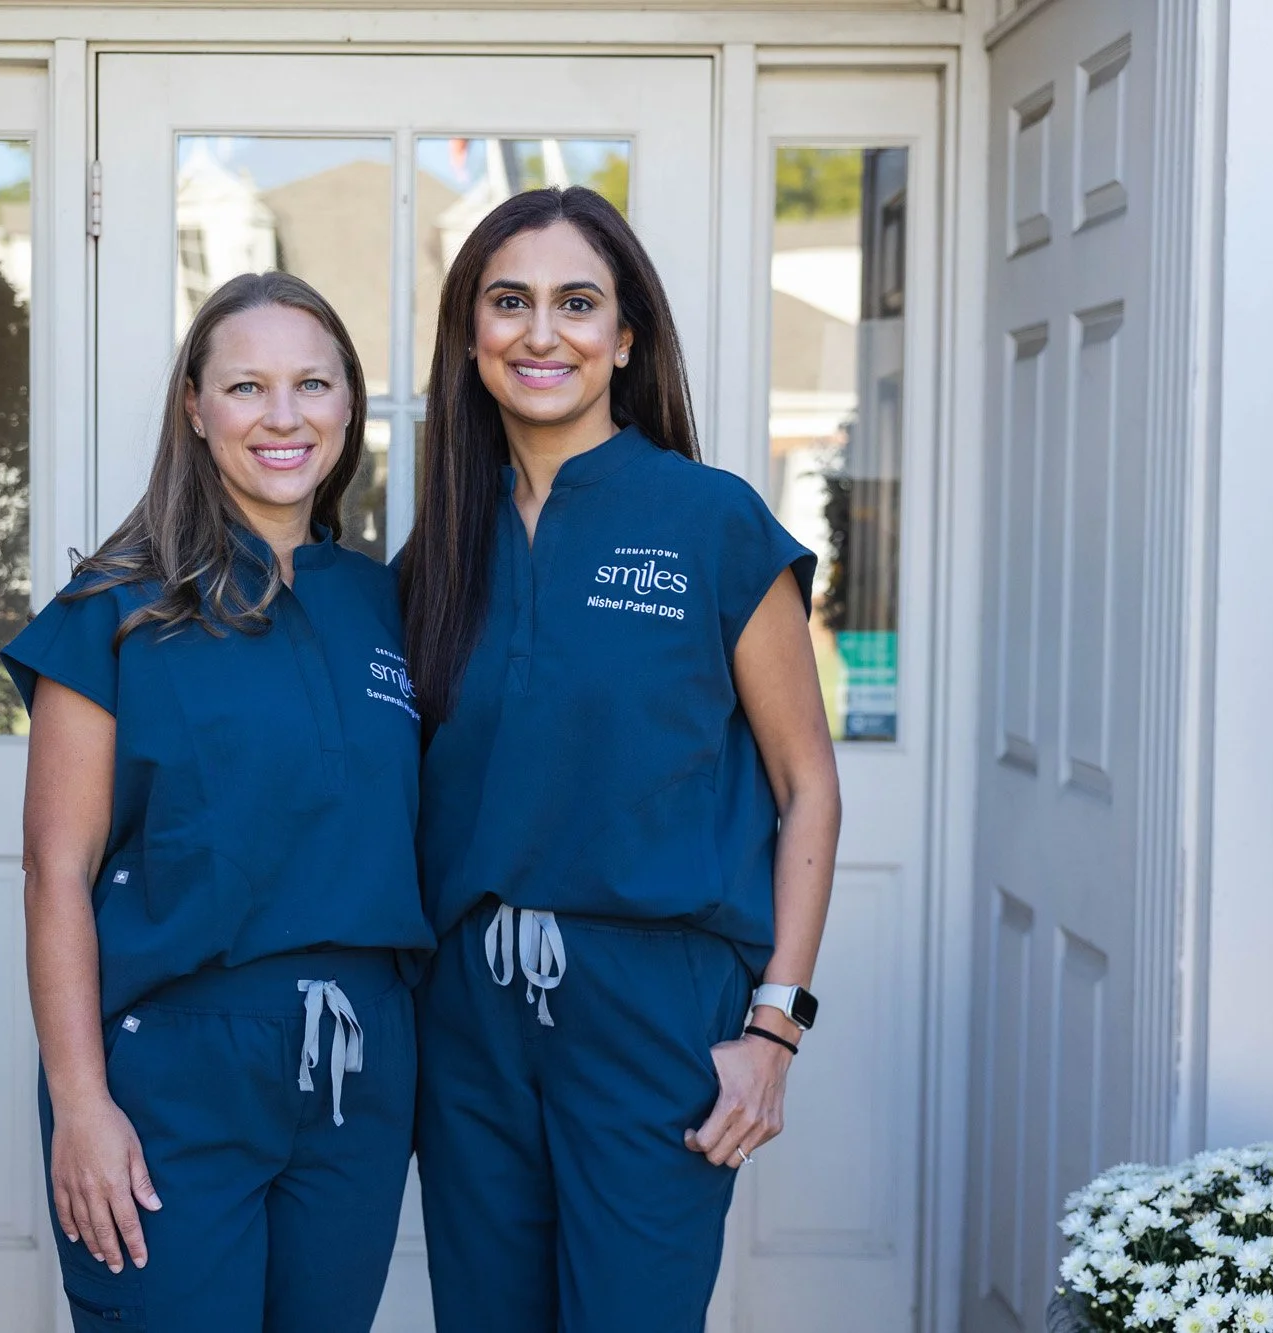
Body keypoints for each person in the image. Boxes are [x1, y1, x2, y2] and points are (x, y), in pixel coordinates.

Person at [399, 186, 842, 1331]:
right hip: (469, 1020)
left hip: (652, 1008)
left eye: (576, 303)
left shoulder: (709, 521)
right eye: (508, 302)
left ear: (625, 335)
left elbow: (806, 787)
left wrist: (772, 1029)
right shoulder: (436, 549)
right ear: (468, 333)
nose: (540, 332)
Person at [3, 272, 432, 1332]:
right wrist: (82, 1103)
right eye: (246, 386)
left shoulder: (388, 603)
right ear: (194, 408)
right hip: (174, 1069)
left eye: (312, 384)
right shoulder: (112, 608)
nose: (282, 416)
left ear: (348, 407)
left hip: (358, 1073)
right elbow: (54, 869)